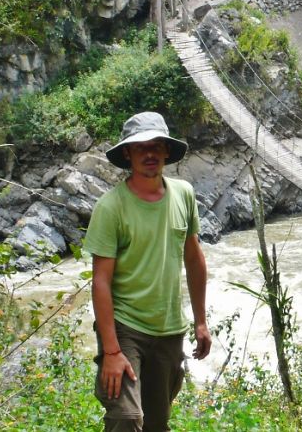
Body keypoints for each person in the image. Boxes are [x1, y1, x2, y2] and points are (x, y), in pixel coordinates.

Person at [84, 111, 211, 432]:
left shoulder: (183, 194)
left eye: (156, 145)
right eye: (141, 147)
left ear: (167, 150)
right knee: (126, 419)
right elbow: (100, 281)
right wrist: (111, 351)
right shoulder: (111, 207)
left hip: (169, 329)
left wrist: (200, 321)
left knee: (157, 424)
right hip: (126, 328)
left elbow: (194, 259)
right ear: (128, 154)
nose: (150, 153)